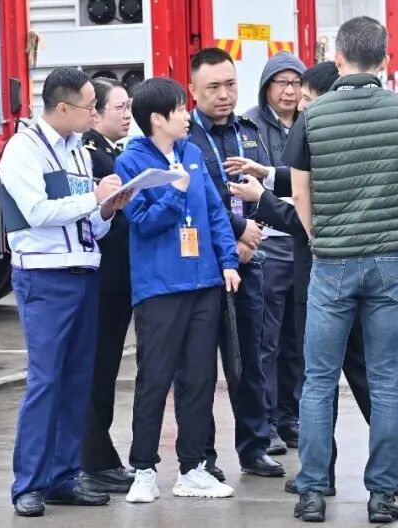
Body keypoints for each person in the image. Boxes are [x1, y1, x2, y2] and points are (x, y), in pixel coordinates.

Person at [232, 60, 398, 500]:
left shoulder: (319, 127)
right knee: (373, 380)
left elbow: (303, 208)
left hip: (327, 272)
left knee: (322, 381)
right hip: (370, 269)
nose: (301, 105)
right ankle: (388, 474)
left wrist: (263, 199)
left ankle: (317, 478)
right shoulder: (383, 122)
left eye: (308, 97)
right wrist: (268, 175)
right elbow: (310, 177)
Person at [285, 17, 398, 524]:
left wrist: (317, 236)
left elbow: (300, 190)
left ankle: (313, 491)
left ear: (338, 58)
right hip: (389, 260)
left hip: (332, 262)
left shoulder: (312, 116)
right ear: (384, 60)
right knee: (385, 382)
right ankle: (382, 495)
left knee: (319, 381)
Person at [0, 67, 133, 518]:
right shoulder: (24, 149)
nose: (94, 114)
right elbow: (36, 212)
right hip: (45, 276)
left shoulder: (77, 151)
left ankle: (64, 476)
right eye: (89, 106)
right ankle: (29, 484)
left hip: (84, 270)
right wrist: (93, 199)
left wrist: (107, 210)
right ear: (62, 107)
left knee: (78, 380)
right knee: (46, 381)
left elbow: (85, 221)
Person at [114, 77, 241, 503]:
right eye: (180, 109)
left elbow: (215, 212)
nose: (187, 116)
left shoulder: (192, 153)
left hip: (204, 282)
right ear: (157, 119)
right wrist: (174, 192)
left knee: (200, 379)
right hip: (160, 287)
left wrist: (227, 261)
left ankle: (193, 468)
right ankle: (144, 469)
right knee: (154, 379)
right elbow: (143, 222)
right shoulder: (131, 163)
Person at [186, 47, 284, 480]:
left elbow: (262, 190)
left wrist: (252, 232)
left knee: (249, 361)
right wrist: (236, 233)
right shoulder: (185, 137)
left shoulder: (248, 130)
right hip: (204, 265)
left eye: (230, 85)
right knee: (199, 367)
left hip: (249, 261)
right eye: (213, 87)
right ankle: (202, 456)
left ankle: (254, 446)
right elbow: (193, 201)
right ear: (193, 89)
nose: (224, 95)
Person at [242, 51, 308, 455]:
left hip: (301, 245)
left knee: (297, 341)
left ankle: (290, 416)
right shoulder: (250, 125)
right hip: (268, 245)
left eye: (295, 82)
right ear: (267, 86)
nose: (289, 90)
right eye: (281, 82)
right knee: (264, 341)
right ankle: (264, 422)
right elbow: (248, 185)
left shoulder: (310, 122)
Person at [79, 79, 136, 494]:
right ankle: (94, 459)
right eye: (120, 107)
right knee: (96, 370)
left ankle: (98, 457)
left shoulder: (113, 153)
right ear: (95, 112)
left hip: (118, 281)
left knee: (107, 369)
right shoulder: (91, 156)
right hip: (101, 280)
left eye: (129, 106)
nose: (127, 114)